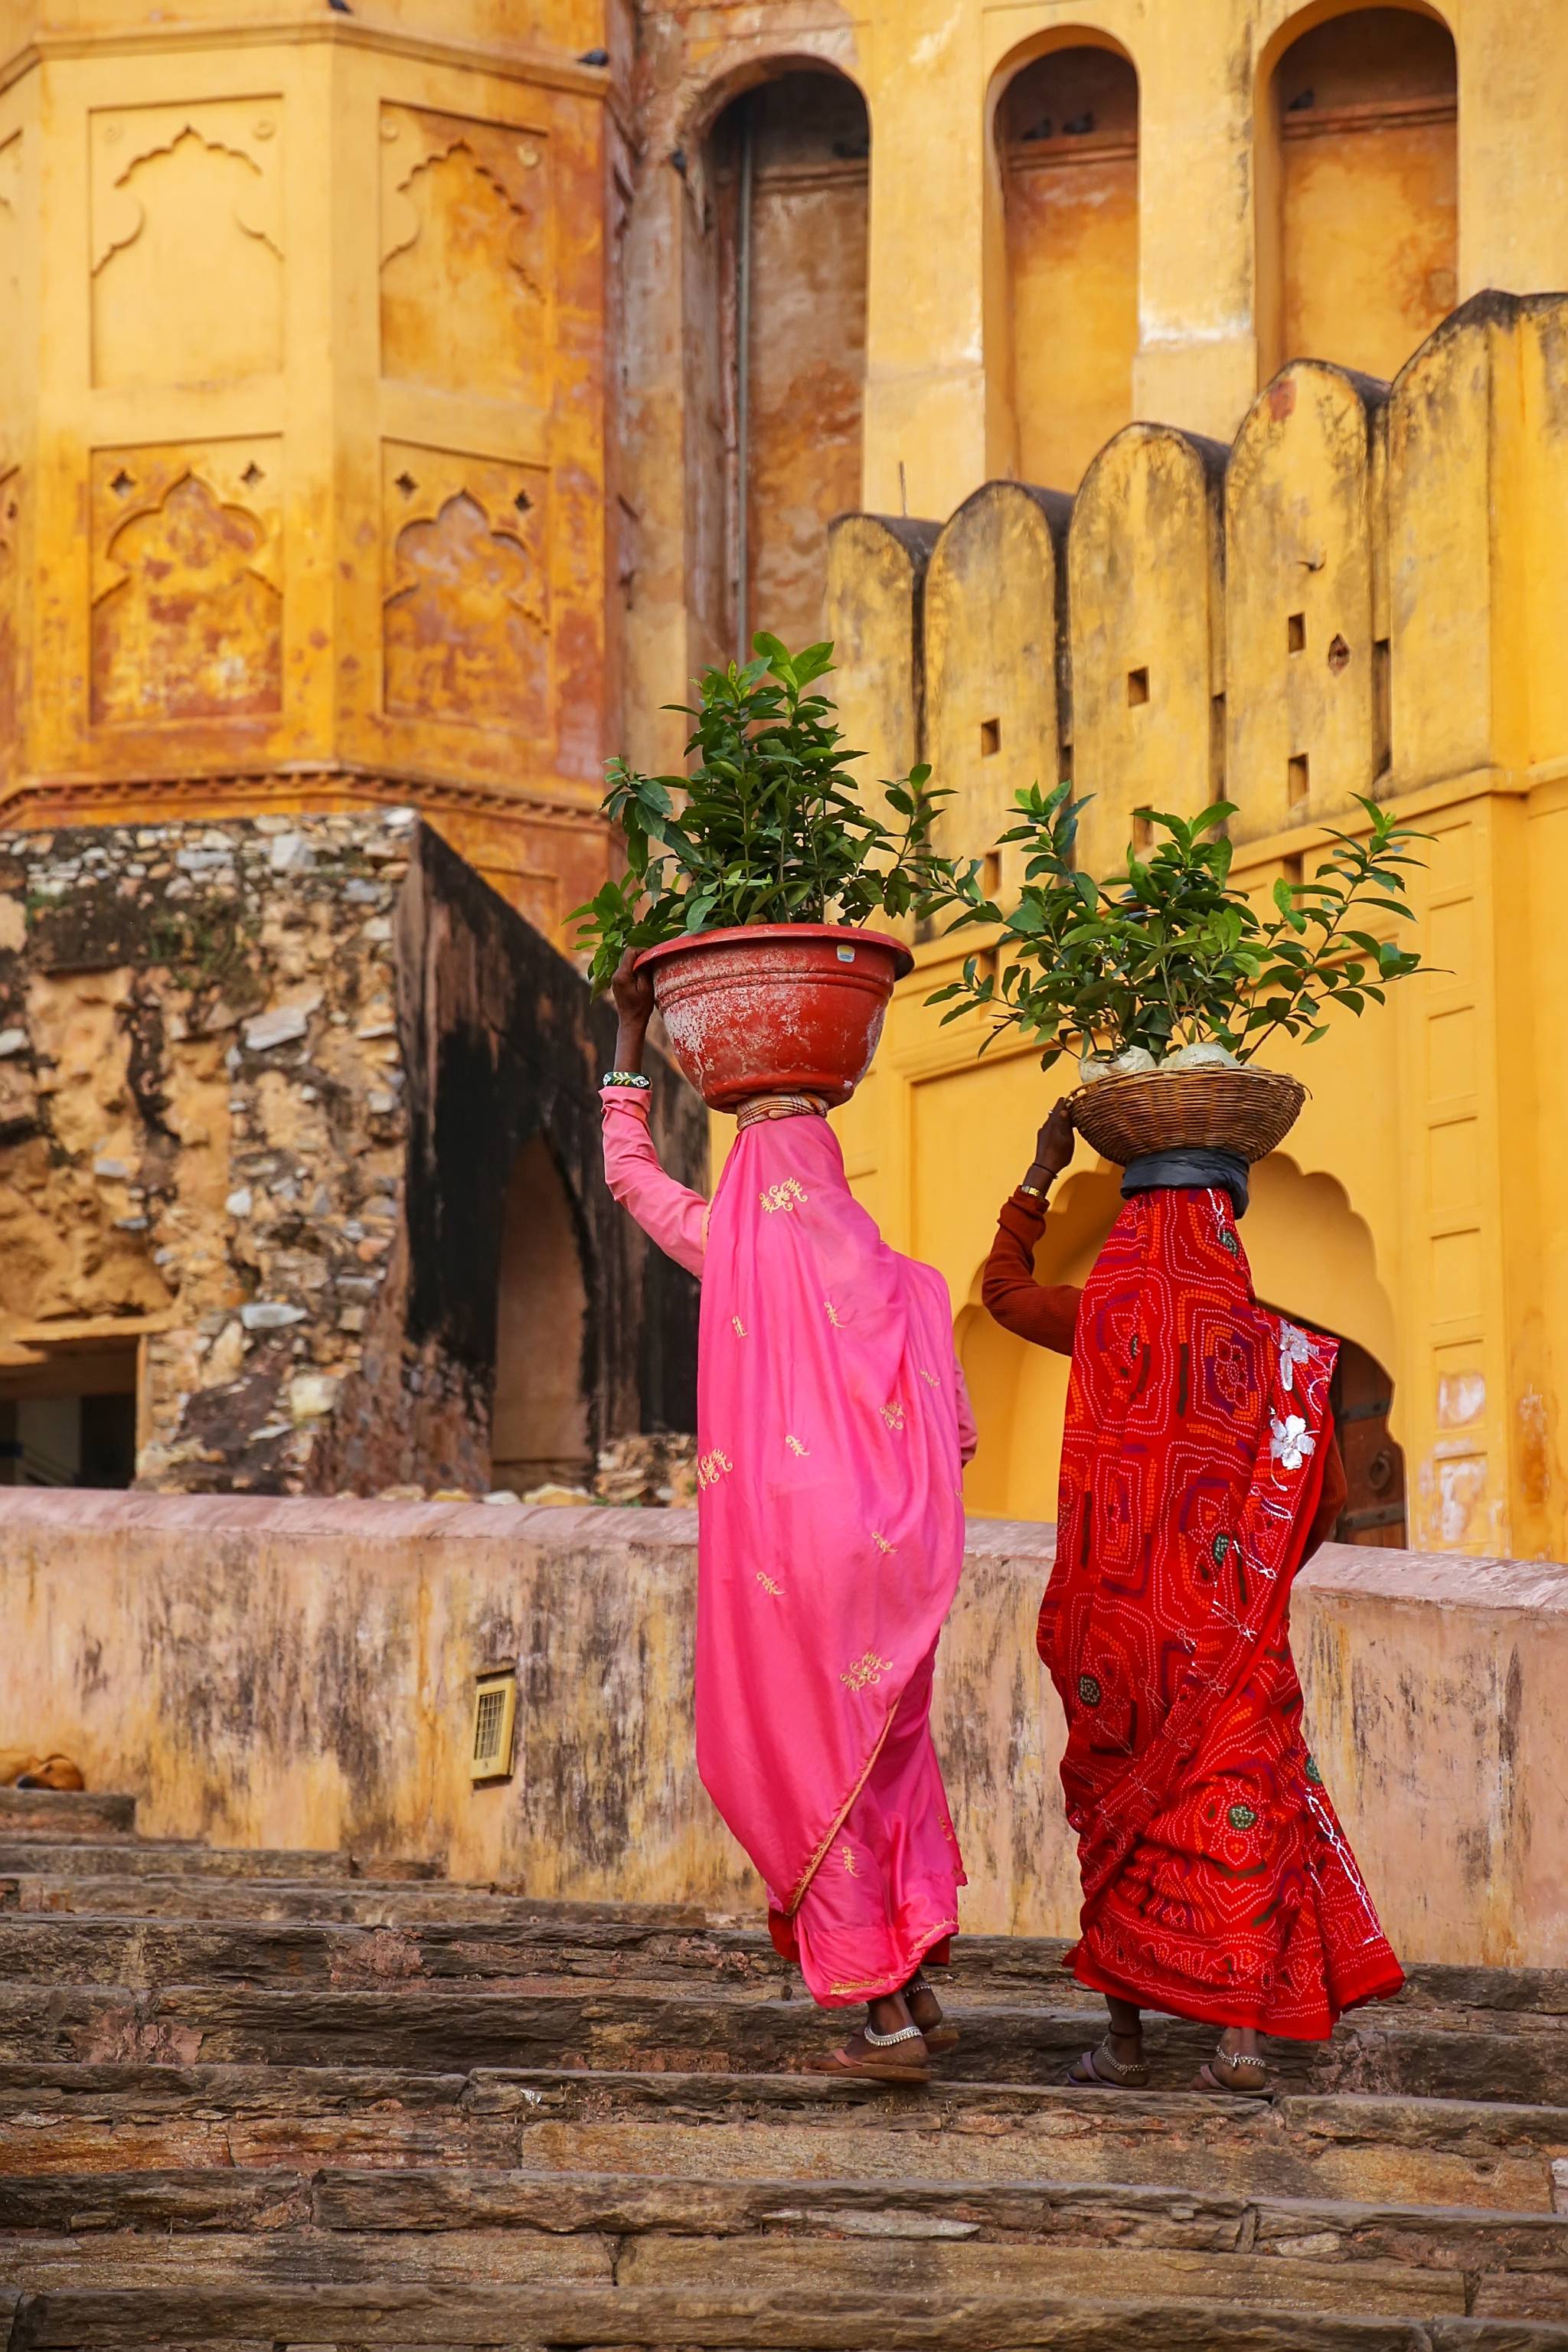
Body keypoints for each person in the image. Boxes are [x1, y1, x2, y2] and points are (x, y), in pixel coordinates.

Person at [599, 952, 978, 2082]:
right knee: (883, 1758)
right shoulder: (910, 1284)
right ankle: (912, 1980)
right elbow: (955, 1438)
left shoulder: (732, 1251)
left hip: (783, 1558)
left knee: (804, 1763)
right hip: (896, 1563)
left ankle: (882, 2019)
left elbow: (628, 1176)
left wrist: (629, 1040)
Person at [983, 1099, 1403, 2092]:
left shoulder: (1098, 1321)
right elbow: (1330, 1492)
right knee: (1236, 1824)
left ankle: (1125, 2044)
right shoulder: (1278, 1351)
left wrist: (1039, 1175)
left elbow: (1001, 1294)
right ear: (1230, 1224)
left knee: (1118, 1828)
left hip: (1114, 1643)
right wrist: (1245, 1588)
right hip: (1230, 1639)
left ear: (1128, 1230)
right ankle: (1238, 2047)